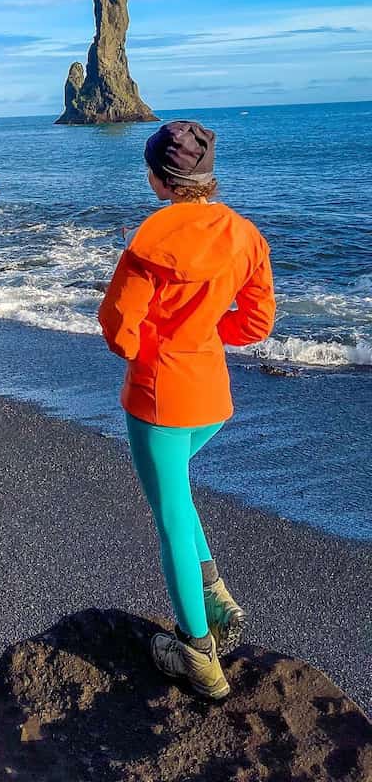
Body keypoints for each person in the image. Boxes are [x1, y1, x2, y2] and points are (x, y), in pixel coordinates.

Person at [98, 120, 275, 700]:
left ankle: (196, 653)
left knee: (170, 515)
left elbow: (118, 329)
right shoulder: (244, 233)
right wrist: (200, 332)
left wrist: (157, 345)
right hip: (212, 397)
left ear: (157, 179)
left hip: (159, 396)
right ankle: (216, 595)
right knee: (177, 494)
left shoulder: (152, 239)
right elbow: (254, 323)